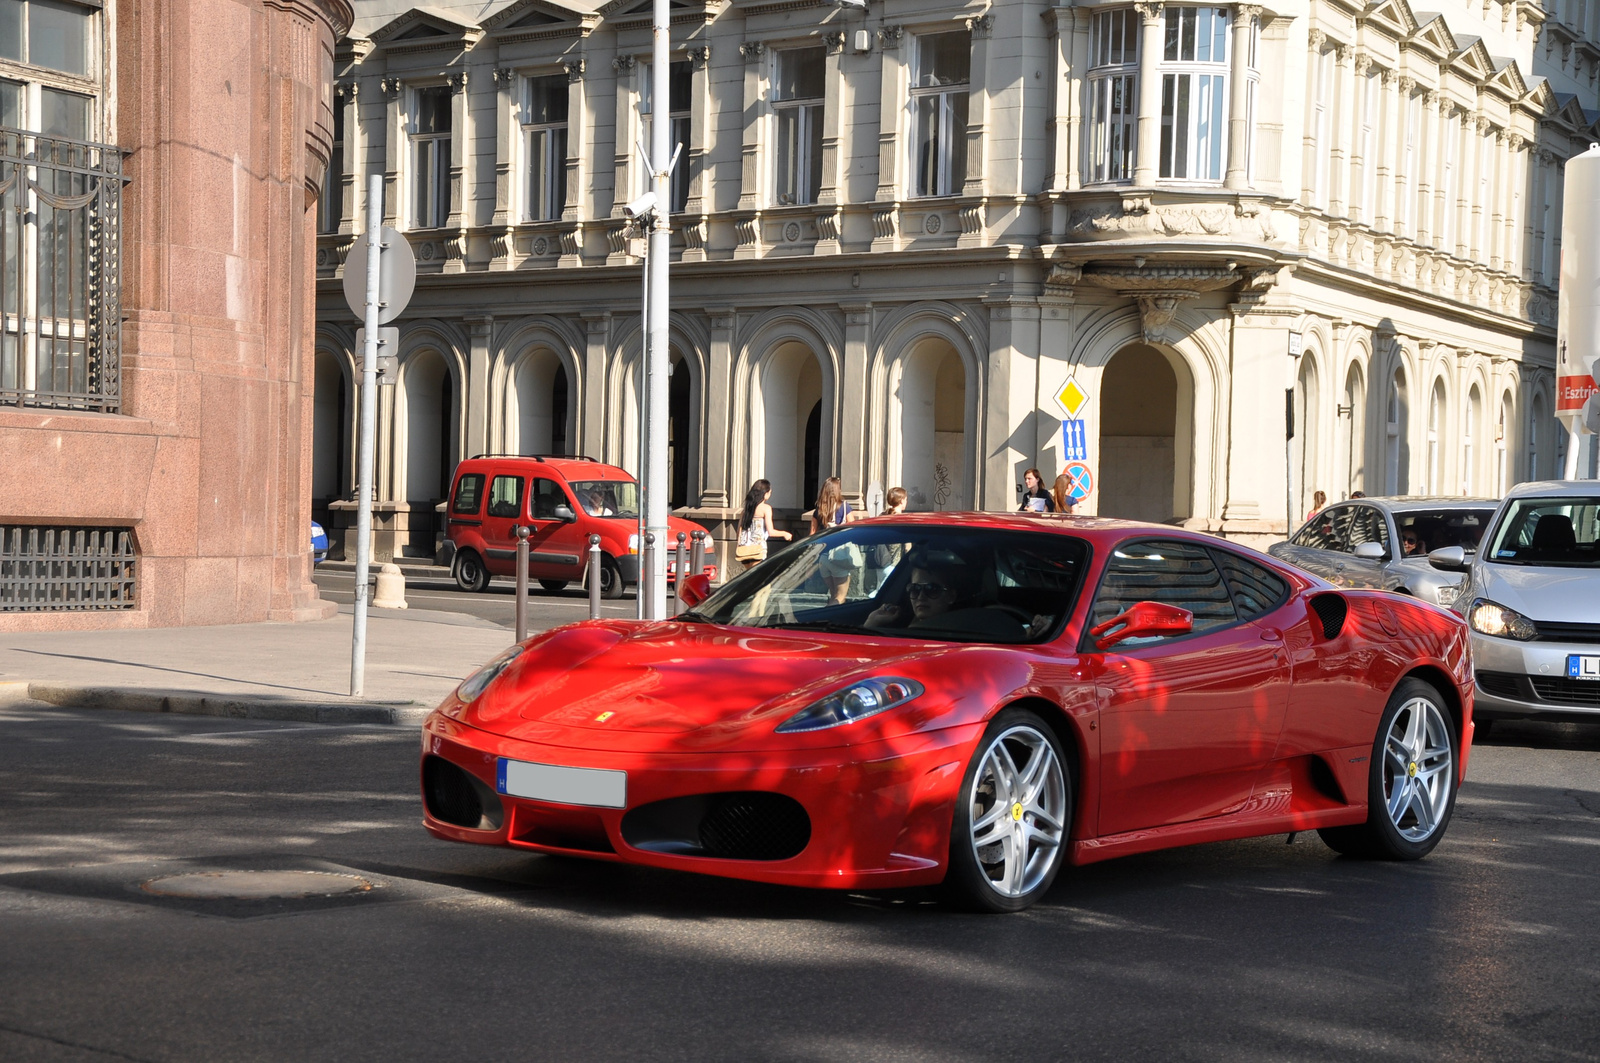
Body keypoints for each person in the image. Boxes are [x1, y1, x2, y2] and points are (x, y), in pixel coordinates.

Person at [810, 477, 858, 603]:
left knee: (833, 595)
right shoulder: (845, 507)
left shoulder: (818, 511)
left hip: (823, 557)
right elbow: (853, 528)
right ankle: (831, 621)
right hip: (839, 557)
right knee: (840, 597)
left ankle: (826, 618)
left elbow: (812, 535)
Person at [735, 479, 792, 569]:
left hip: (744, 550)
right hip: (758, 550)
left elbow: (739, 532)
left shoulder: (745, 510)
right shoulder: (766, 508)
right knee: (758, 578)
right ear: (765, 493)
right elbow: (771, 531)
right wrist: (785, 534)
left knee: (749, 576)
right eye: (769, 492)